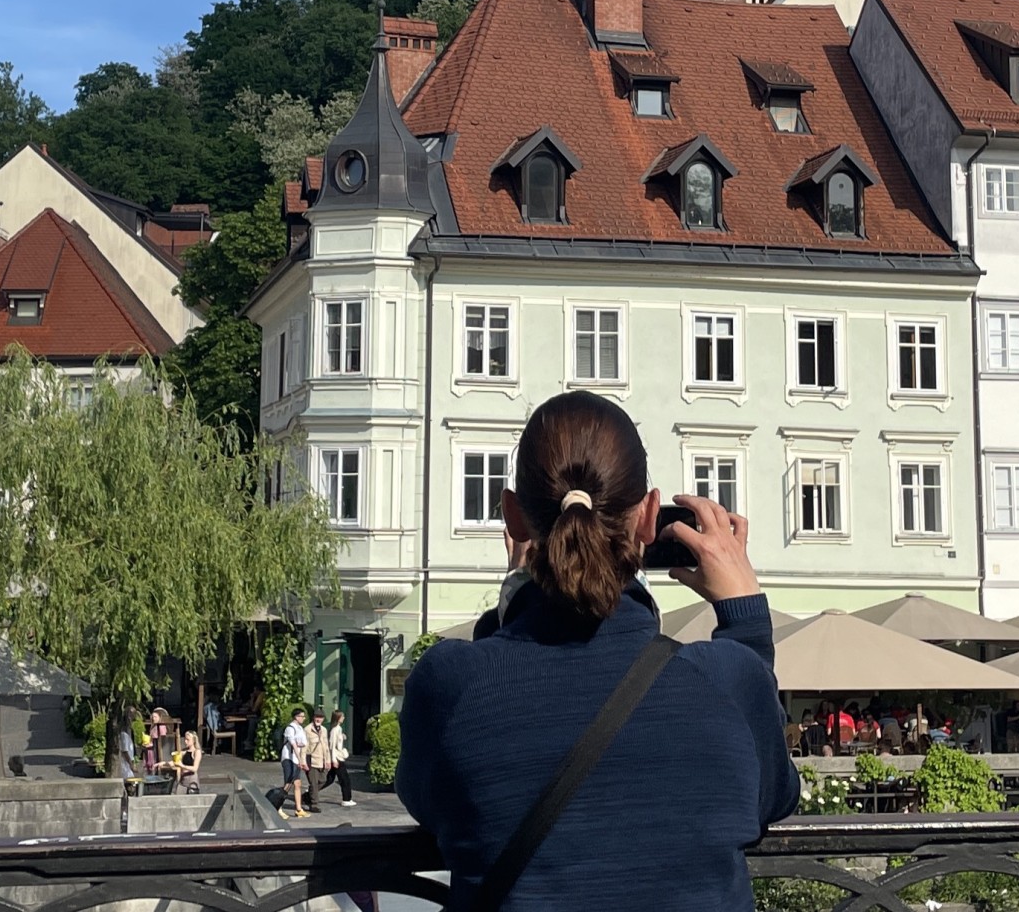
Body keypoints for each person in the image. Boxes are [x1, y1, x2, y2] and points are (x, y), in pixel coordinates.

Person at [397, 391, 799, 912]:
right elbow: (771, 794)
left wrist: (517, 596)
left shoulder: (448, 683)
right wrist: (745, 615)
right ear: (649, 516)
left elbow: (438, 801)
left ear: (513, 517)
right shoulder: (725, 681)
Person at [316, 708, 356, 807]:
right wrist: (334, 760)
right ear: (338, 718)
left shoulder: (338, 729)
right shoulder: (335, 730)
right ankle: (346, 799)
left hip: (337, 757)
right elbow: (332, 746)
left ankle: (311, 792)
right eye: (342, 716)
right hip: (337, 758)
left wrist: (342, 736)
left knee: (329, 779)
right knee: (344, 779)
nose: (344, 718)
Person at [280, 707, 312, 817]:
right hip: (288, 758)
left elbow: (303, 743)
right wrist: (300, 759)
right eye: (302, 716)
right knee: (288, 783)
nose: (303, 718)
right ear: (296, 717)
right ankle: (278, 807)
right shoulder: (290, 728)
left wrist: (300, 759)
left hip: (296, 759)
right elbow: (293, 744)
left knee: (297, 783)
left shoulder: (300, 729)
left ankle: (298, 809)